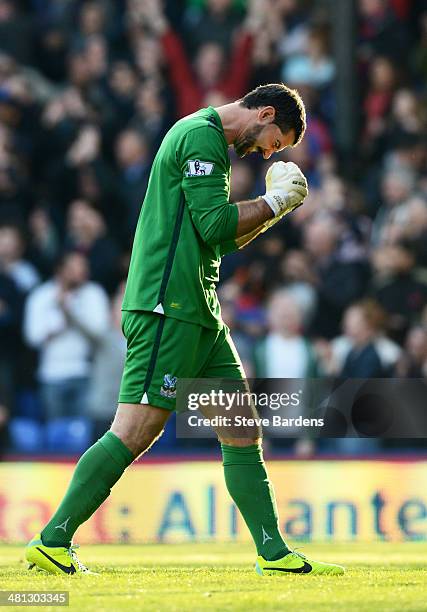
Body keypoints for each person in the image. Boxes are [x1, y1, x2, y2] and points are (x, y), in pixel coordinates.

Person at [26, 83, 344, 576]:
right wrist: (275, 203)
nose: (267, 153)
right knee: (135, 430)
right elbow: (216, 225)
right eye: (274, 142)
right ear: (263, 114)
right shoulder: (200, 136)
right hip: (165, 307)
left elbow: (215, 241)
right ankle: (52, 539)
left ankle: (274, 554)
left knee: (241, 429)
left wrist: (273, 208)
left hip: (198, 308)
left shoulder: (211, 144)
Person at [23, 251, 110, 420]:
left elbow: (100, 334)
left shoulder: (94, 293)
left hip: (85, 372)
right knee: (55, 435)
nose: (81, 271)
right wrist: (59, 321)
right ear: (60, 269)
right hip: (51, 374)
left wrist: (71, 314)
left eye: (84, 267)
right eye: (75, 267)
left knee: (83, 435)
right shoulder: (41, 295)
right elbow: (32, 337)